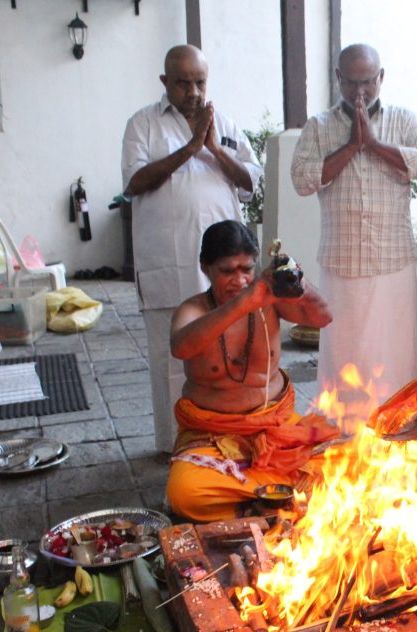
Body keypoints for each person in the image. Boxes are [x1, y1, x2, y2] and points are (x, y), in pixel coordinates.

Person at [290, 44, 417, 428]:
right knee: (346, 357)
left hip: (394, 262)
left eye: (368, 82)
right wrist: (351, 147)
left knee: (396, 354)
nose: (360, 92)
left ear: (381, 78)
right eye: (352, 83)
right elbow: (302, 180)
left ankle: (396, 432)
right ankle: (345, 433)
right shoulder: (319, 126)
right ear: (338, 78)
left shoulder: (403, 120)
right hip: (341, 265)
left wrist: (374, 145)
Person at [122, 45, 262, 454]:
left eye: (200, 82)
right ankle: (175, 447)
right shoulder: (143, 124)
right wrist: (189, 148)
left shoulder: (227, 124)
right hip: (168, 261)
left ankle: (224, 439)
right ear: (165, 82)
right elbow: (133, 183)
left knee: (227, 349)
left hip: (221, 267)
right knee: (171, 358)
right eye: (183, 83)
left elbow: (251, 182)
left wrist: (214, 148)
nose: (194, 92)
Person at [165, 220, 338, 522]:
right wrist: (245, 302)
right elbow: (181, 347)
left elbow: (323, 317)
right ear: (206, 268)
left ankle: (256, 502)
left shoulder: (270, 301)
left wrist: (297, 279)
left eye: (246, 269)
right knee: (184, 493)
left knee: (341, 463)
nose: (240, 280)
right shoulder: (192, 310)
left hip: (274, 426)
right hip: (213, 435)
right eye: (227, 271)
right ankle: (277, 500)